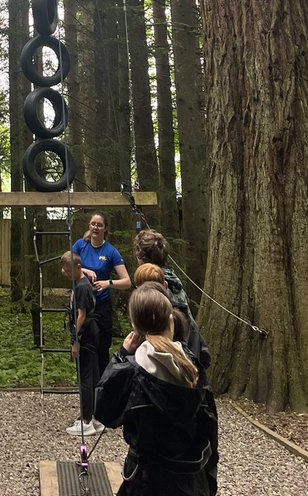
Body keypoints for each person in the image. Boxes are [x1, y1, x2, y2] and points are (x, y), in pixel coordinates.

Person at [95, 286, 218, 495]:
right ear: (171, 320)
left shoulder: (131, 371)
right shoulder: (191, 367)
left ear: (135, 326)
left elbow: (104, 411)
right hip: (190, 480)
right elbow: (209, 427)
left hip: (146, 482)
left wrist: (122, 354)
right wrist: (208, 480)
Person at [133, 230, 209, 369]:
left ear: (142, 258)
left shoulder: (153, 285)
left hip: (172, 355)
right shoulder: (173, 278)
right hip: (188, 348)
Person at [72, 212, 131, 372]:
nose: (96, 227)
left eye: (99, 225)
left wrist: (108, 283)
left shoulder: (111, 251)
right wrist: (83, 270)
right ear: (89, 226)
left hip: (102, 306)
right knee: (81, 345)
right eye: (93, 224)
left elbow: (127, 281)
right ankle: (84, 387)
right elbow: (66, 268)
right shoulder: (80, 246)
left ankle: (102, 386)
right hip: (82, 305)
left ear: (105, 229)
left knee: (102, 346)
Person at [61, 250, 102, 438]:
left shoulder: (82, 287)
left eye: (68, 270)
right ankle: (92, 416)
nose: (65, 273)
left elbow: (81, 315)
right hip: (90, 333)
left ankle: (87, 421)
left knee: (85, 377)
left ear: (78, 267)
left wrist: (75, 340)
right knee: (91, 375)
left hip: (86, 335)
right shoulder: (81, 282)